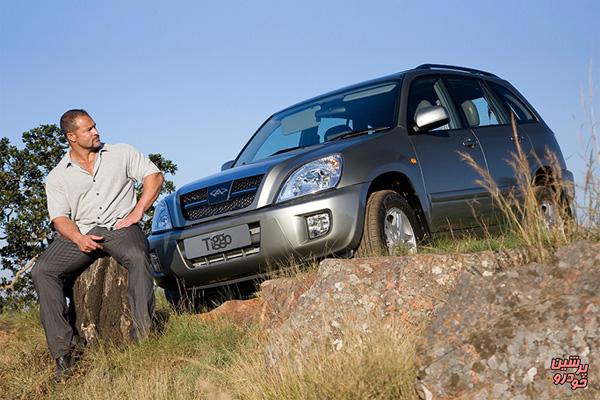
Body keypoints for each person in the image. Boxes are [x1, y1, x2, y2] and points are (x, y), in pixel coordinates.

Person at [31, 109, 164, 381]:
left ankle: (143, 336)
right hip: (82, 232)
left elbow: (154, 176)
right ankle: (64, 355)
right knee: (42, 271)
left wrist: (138, 211)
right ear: (71, 137)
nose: (96, 132)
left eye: (95, 126)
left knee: (139, 257)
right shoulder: (57, 176)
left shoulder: (121, 152)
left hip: (120, 227)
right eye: (88, 129)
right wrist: (79, 238)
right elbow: (59, 219)